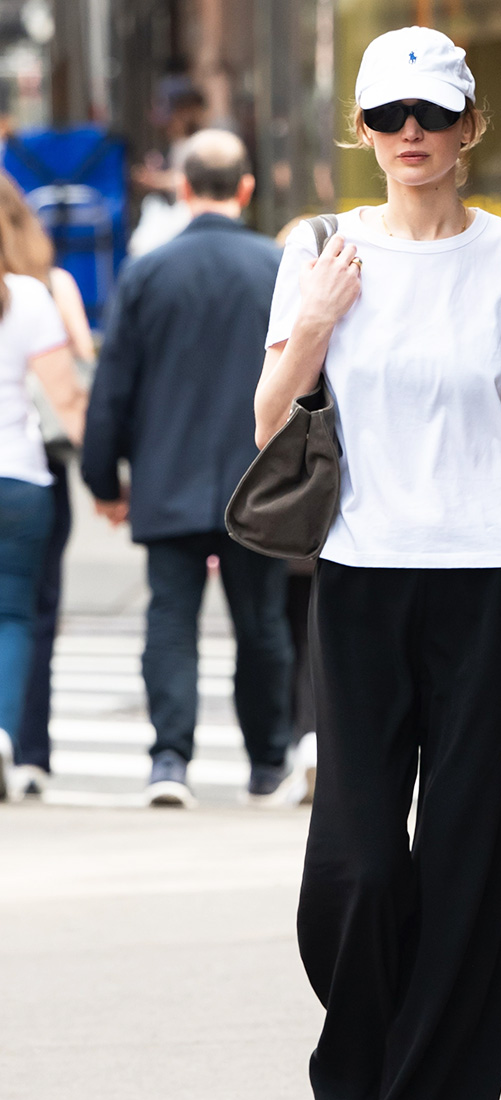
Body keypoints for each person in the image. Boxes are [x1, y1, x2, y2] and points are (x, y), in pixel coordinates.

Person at [255, 26, 501, 1100]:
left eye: (432, 114)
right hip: (359, 583)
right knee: (355, 870)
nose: (411, 135)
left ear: (469, 128)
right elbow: (267, 427)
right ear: (361, 131)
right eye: (389, 116)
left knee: (468, 876)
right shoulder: (319, 251)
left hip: (490, 590)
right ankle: (352, 1085)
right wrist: (311, 324)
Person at [82, 129, 293, 808]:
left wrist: (102, 478)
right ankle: (267, 761)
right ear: (246, 188)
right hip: (257, 480)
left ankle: (170, 758)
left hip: (166, 476)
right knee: (261, 624)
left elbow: (113, 385)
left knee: (170, 619)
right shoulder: (277, 269)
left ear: (181, 187)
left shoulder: (147, 272)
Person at [0, 173, 95, 798]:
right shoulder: (29, 298)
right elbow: (68, 397)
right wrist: (108, 476)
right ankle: (6, 741)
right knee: (13, 617)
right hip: (19, 476)